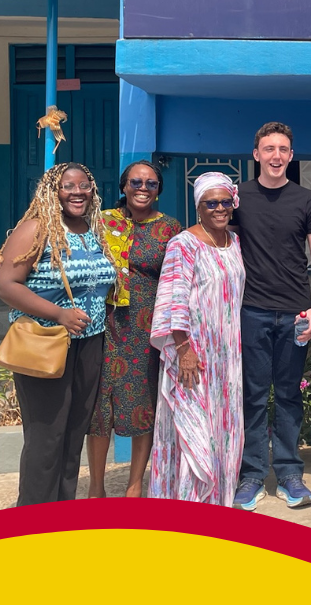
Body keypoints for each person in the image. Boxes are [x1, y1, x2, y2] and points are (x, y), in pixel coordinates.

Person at [0, 161, 117, 506]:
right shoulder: (36, 229)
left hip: (89, 343)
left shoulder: (93, 229)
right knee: (46, 437)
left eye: (84, 186)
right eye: (68, 186)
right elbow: (4, 285)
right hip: (44, 343)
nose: (77, 192)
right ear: (53, 191)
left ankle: (61, 516)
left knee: (73, 435)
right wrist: (58, 313)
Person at [233, 122, 311, 511]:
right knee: (252, 397)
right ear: (256, 154)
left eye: (283, 149)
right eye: (268, 149)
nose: (276, 156)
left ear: (291, 155)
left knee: (288, 396)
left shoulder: (306, 199)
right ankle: (252, 476)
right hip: (250, 310)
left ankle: (290, 474)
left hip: (295, 311)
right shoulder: (238, 199)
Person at [148, 173, 246, 504]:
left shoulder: (234, 242)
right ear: (198, 207)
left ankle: (218, 504)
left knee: (222, 430)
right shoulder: (183, 244)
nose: (220, 208)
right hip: (195, 355)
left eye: (225, 202)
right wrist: (184, 349)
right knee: (192, 432)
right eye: (211, 203)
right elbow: (173, 299)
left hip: (228, 358)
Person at [87, 160, 182, 498]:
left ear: (159, 190)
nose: (143, 189)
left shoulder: (169, 228)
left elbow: (177, 278)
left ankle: (134, 486)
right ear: (124, 186)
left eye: (151, 184)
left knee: (144, 402)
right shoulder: (101, 223)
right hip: (102, 324)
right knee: (100, 406)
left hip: (147, 328)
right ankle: (96, 487)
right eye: (137, 182)